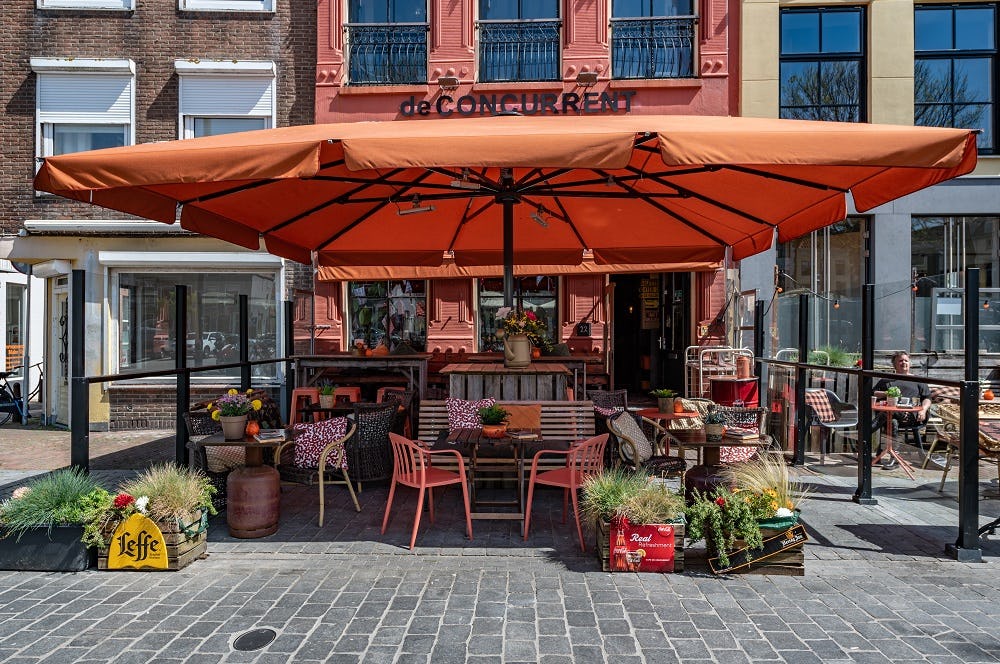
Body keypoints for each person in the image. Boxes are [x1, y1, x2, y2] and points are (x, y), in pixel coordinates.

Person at [873, 351, 931, 469]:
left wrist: (923, 410)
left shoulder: (917, 380)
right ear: (894, 364)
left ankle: (870, 427)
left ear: (909, 363)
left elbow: (927, 398)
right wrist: (886, 393)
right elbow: (872, 393)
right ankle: (894, 459)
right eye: (900, 360)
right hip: (893, 416)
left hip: (912, 416)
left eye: (906, 360)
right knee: (892, 421)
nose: (903, 362)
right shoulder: (887, 380)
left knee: (888, 416)